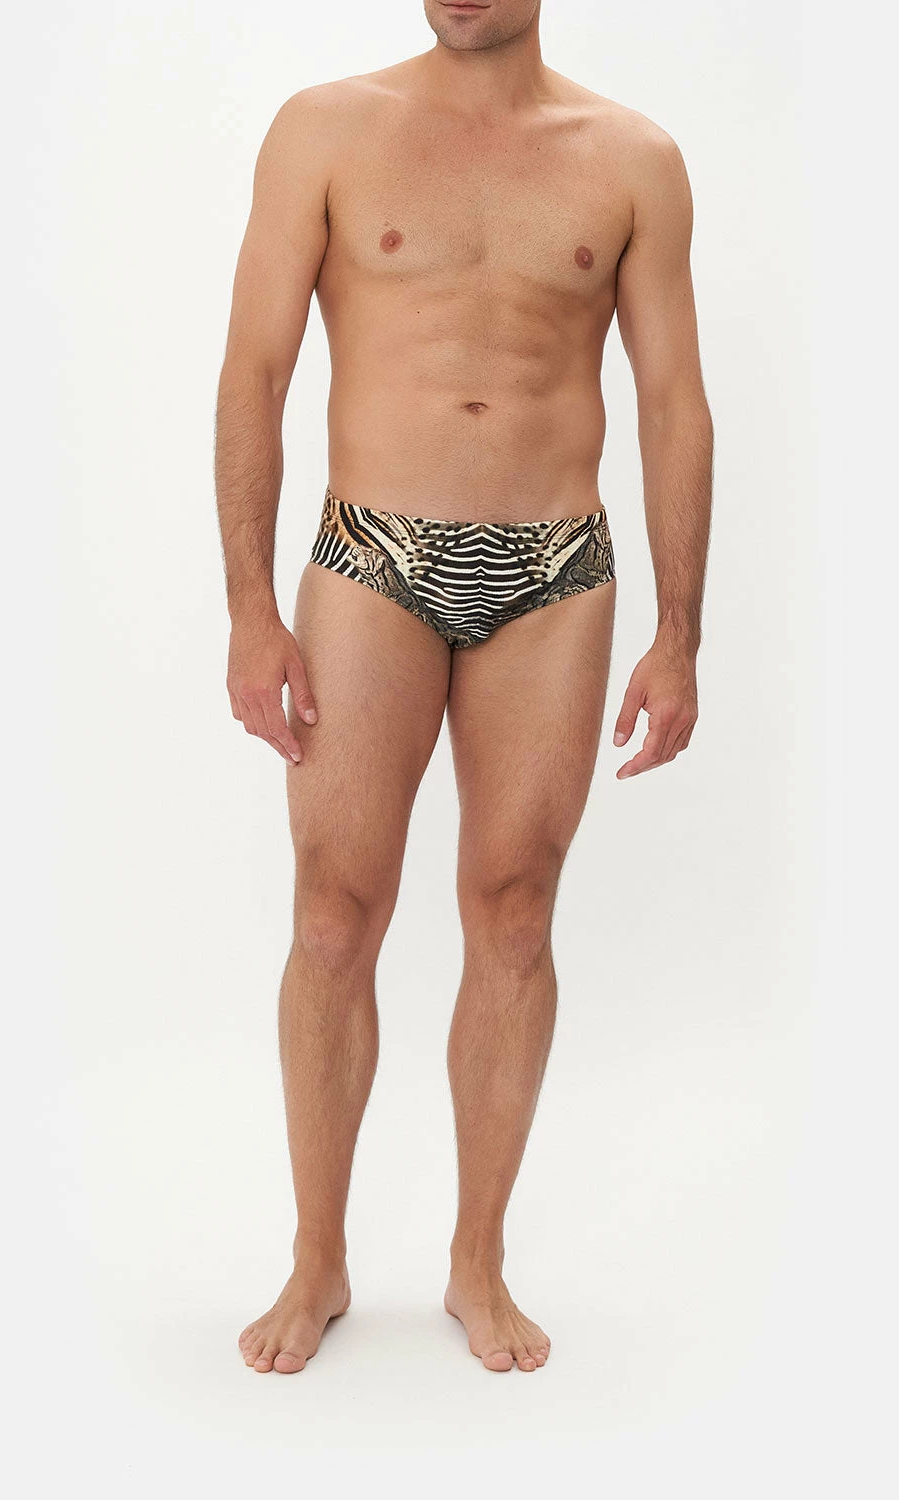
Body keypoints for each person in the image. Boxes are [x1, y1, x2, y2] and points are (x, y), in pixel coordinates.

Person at [215, 0, 712, 1376]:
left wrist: (680, 633)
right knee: (333, 914)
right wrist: (251, 609)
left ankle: (476, 1261)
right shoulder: (326, 129)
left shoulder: (633, 159)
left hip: (555, 568)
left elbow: (673, 397)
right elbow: (255, 367)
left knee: (514, 908)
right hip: (371, 557)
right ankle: (318, 1258)